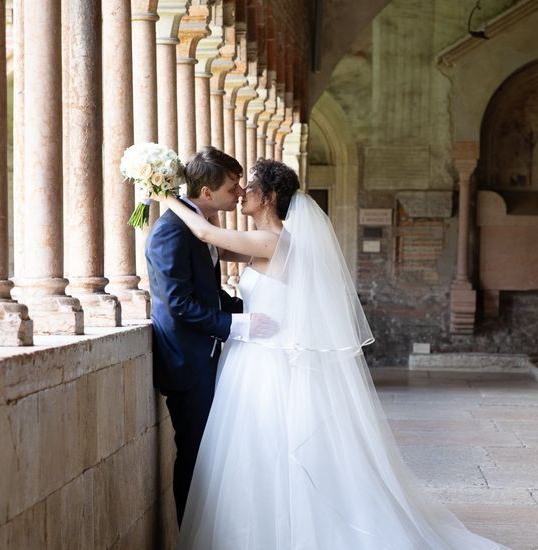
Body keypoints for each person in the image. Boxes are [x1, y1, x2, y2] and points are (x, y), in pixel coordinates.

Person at [156, 158, 505, 550]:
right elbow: (209, 253)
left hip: (264, 363)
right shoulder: (270, 243)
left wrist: (160, 192)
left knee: (263, 452)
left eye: (250, 186)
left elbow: (203, 233)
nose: (242, 193)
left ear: (270, 198)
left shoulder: (271, 242)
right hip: (253, 357)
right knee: (256, 455)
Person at [145, 146, 276, 525]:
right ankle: (191, 534)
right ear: (206, 193)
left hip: (208, 355)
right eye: (233, 186)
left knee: (211, 452)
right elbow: (178, 303)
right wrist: (238, 324)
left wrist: (244, 312)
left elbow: (207, 293)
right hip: (186, 361)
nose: (239, 193)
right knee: (195, 453)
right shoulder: (171, 231)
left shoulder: (199, 225)